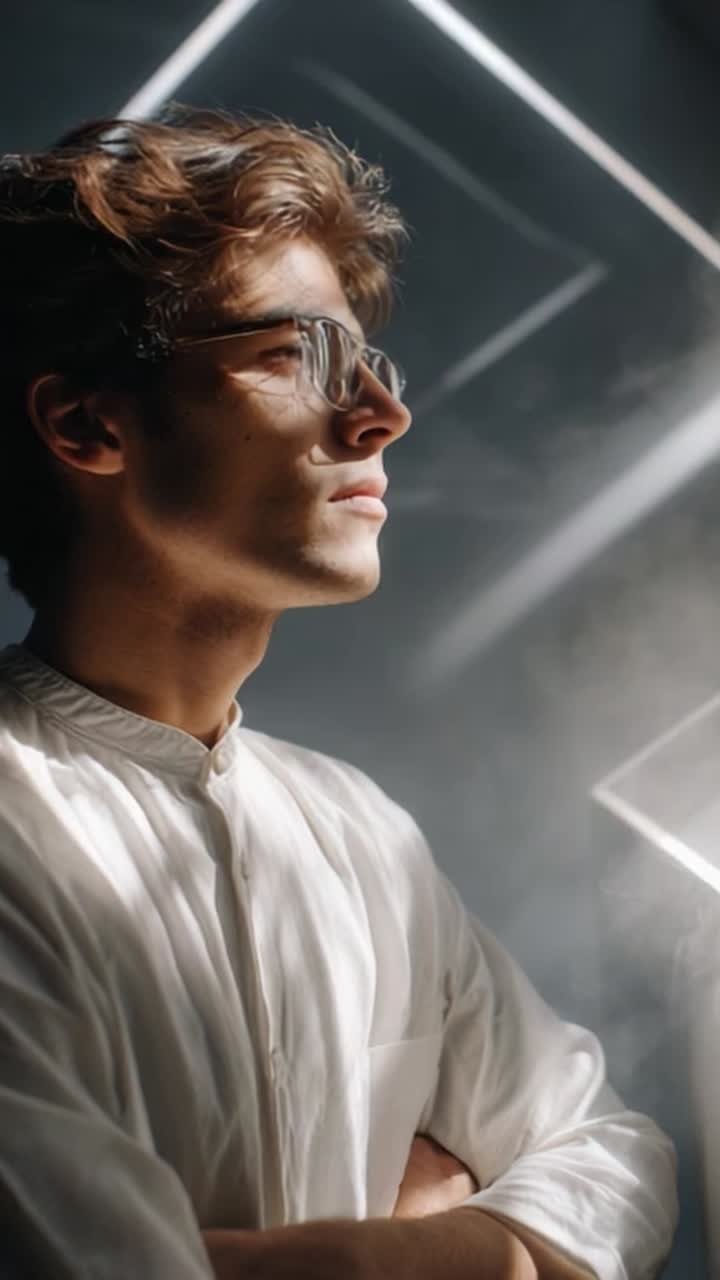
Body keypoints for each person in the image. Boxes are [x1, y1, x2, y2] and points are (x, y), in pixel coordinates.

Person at [0, 106, 676, 1280]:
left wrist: (390, 1257)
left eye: (369, 360)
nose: (382, 412)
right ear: (86, 421)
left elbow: (618, 1156)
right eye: (293, 353)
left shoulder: (363, 833)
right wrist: (471, 1227)